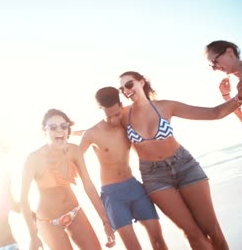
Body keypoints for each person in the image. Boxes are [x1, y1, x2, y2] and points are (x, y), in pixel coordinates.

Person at [118, 71, 242, 250]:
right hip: (154, 177)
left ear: (141, 82)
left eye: (129, 85)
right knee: (192, 234)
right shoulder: (123, 116)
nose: (126, 91)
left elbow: (215, 113)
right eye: (122, 89)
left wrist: (237, 97)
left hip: (185, 166)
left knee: (213, 231)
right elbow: (99, 131)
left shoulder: (166, 106)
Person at [79, 87, 167, 250]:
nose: (113, 120)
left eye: (116, 114)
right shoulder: (91, 134)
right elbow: (74, 158)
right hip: (113, 195)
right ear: (100, 110)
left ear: (121, 105)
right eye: (108, 116)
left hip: (134, 187)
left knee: (158, 240)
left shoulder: (128, 122)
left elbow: (149, 114)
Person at [20, 109, 115, 250]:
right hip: (48, 222)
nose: (59, 130)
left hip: (74, 212)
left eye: (64, 126)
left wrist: (106, 222)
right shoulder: (34, 159)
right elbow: (23, 198)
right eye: (53, 127)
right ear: (44, 131)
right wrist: (33, 237)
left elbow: (88, 185)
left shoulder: (74, 151)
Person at [205, 40, 242, 121]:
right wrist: (227, 96)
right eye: (212, 66)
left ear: (229, 52)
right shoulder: (237, 85)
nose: (215, 68)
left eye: (215, 61)